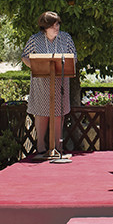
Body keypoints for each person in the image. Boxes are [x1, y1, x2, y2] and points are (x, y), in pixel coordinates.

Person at [22, 11, 77, 155]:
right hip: (41, 84)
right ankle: (40, 148)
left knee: (58, 114)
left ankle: (58, 149)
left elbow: (74, 58)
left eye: (58, 23)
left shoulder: (66, 38)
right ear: (45, 26)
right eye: (53, 24)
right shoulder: (34, 39)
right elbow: (25, 57)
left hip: (60, 84)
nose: (56, 27)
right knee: (41, 114)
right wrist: (37, 66)